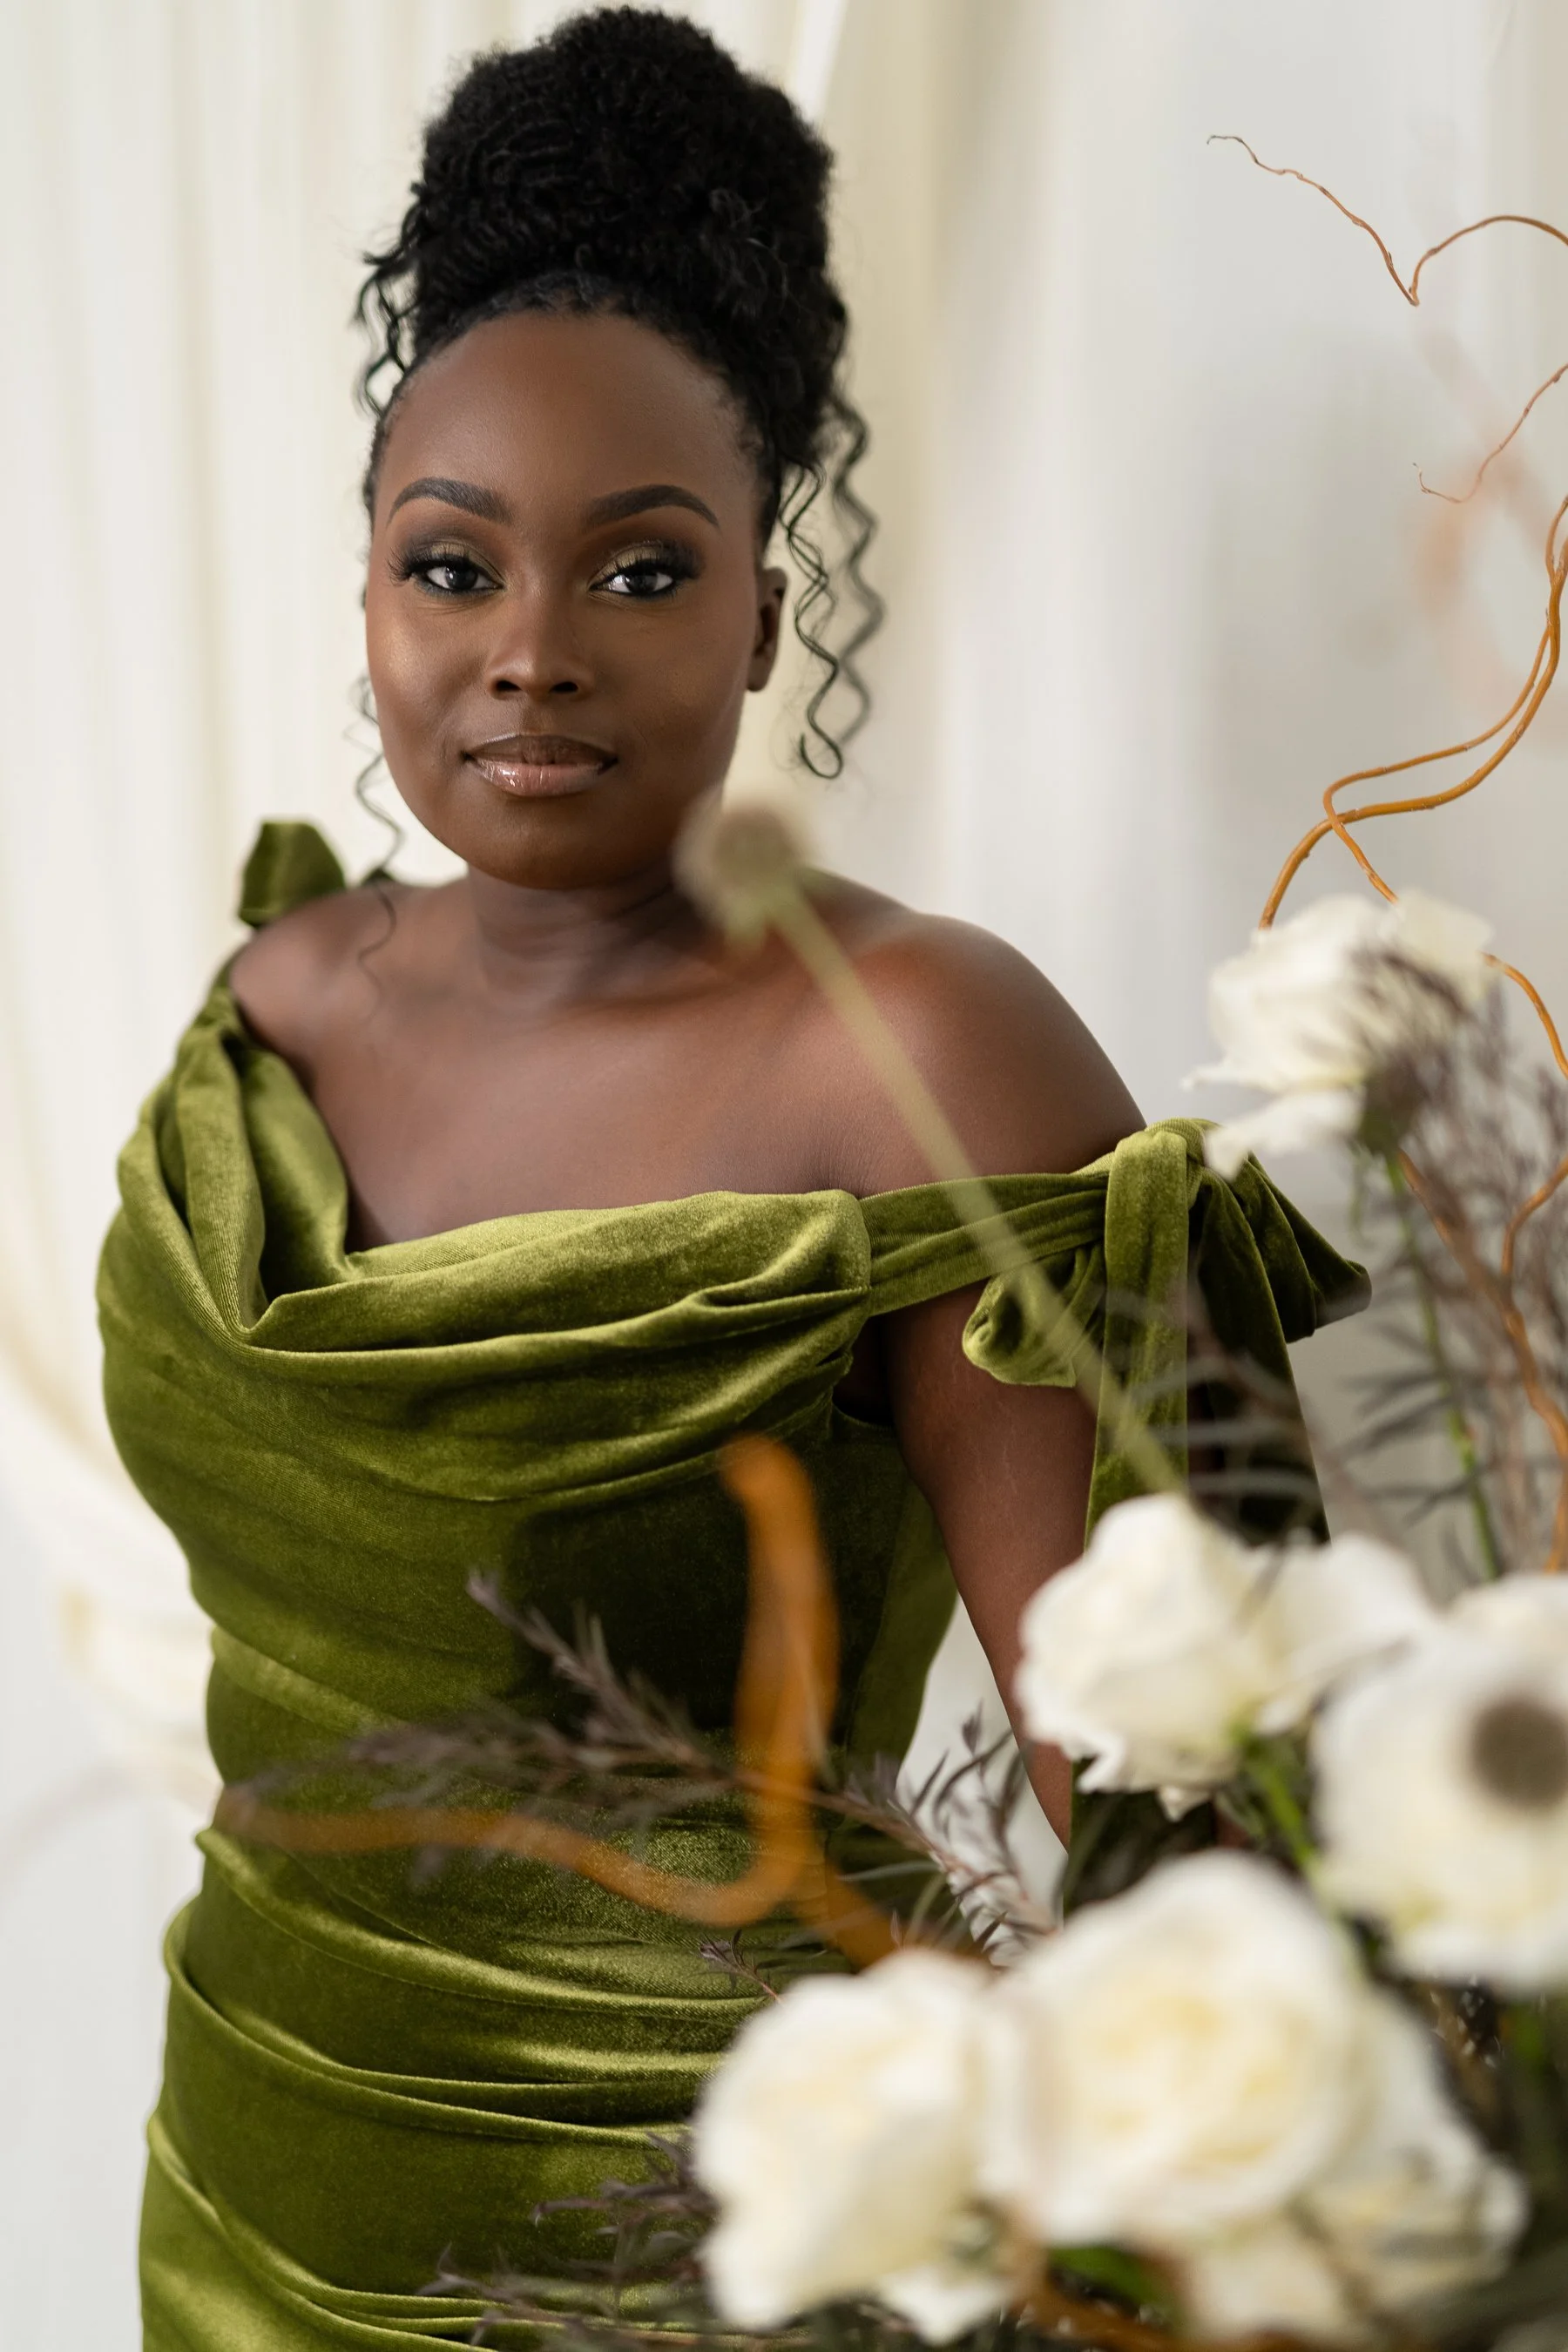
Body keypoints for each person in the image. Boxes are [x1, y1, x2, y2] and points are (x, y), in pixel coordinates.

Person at [98, 11, 1362, 2346]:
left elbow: (1187, 1819)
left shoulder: (918, 1059)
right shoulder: (269, 1004)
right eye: (451, 565)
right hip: (235, 2197)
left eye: (644, 575)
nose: (529, 658)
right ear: (366, 590)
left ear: (773, 608)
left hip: (696, 2258)